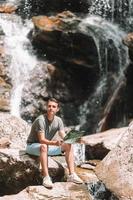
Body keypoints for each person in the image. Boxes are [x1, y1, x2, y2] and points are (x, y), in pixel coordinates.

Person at [26, 97, 83, 188]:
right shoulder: (41, 120)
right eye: (49, 106)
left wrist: (74, 139)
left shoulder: (58, 120)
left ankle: (71, 175)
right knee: (43, 146)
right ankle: (46, 177)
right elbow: (41, 140)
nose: (51, 108)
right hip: (32, 146)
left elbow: (63, 135)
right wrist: (55, 143)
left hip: (47, 147)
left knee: (68, 145)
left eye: (53, 106)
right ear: (46, 107)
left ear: (57, 109)